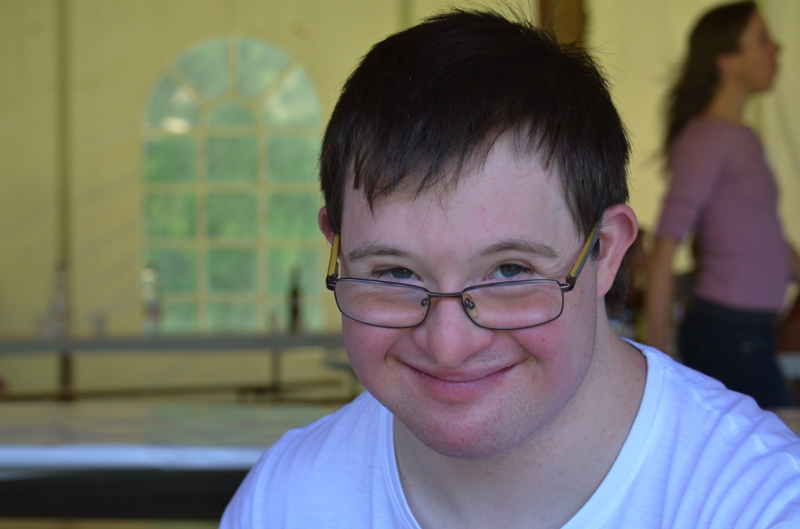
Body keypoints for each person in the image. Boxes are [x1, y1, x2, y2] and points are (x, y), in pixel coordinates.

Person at [222, 9, 800, 528]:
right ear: (338, 249)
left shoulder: (760, 501)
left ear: (605, 251)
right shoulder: (284, 500)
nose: (449, 346)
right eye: (395, 273)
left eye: (508, 271)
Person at [646, 1, 800, 409]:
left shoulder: (738, 137)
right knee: (783, 438)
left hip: (746, 331)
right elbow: (665, 247)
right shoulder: (707, 137)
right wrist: (657, 361)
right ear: (726, 61)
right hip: (728, 333)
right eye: (762, 40)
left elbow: (762, 234)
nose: (777, 49)